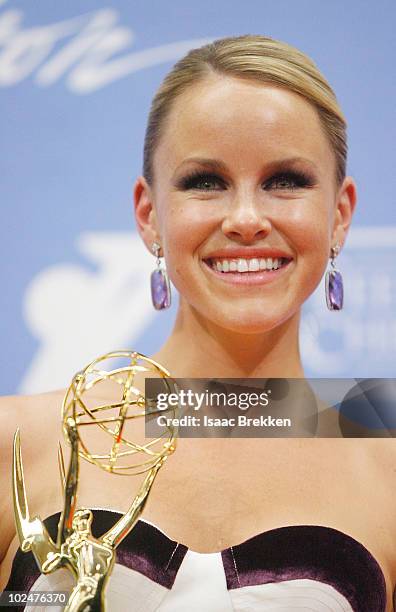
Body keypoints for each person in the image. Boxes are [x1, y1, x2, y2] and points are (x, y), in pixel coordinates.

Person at [0, 34, 394, 611]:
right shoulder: (20, 441)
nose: (246, 219)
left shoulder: (386, 465)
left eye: (286, 181)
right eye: (205, 182)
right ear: (149, 214)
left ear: (339, 216)